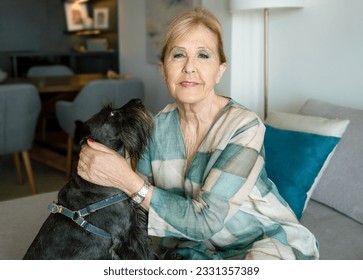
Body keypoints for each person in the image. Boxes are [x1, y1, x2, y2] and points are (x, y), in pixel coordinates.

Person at [77, 6, 319, 260]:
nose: (189, 67)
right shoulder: (155, 126)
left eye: (203, 55)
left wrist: (124, 178)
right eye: (178, 55)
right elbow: (142, 207)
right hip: (195, 246)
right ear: (163, 70)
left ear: (220, 71)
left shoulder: (245, 125)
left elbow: (205, 220)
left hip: (264, 240)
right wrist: (105, 168)